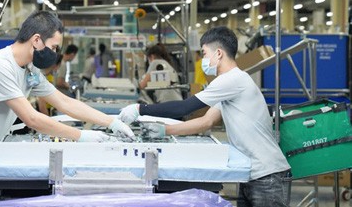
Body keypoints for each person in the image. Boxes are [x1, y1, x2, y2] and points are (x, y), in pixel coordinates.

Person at [0, 10, 135, 206]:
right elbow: (31, 118)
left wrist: (112, 122)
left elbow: (64, 103)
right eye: (54, 47)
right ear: (36, 40)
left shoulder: (30, 70)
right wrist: (81, 136)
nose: (55, 53)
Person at [118, 26, 291, 207]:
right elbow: (206, 121)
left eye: (204, 53)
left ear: (218, 53)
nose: (203, 60)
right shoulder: (230, 84)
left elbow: (184, 108)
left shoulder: (232, 80)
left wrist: (141, 109)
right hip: (252, 173)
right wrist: (165, 130)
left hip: (266, 175)